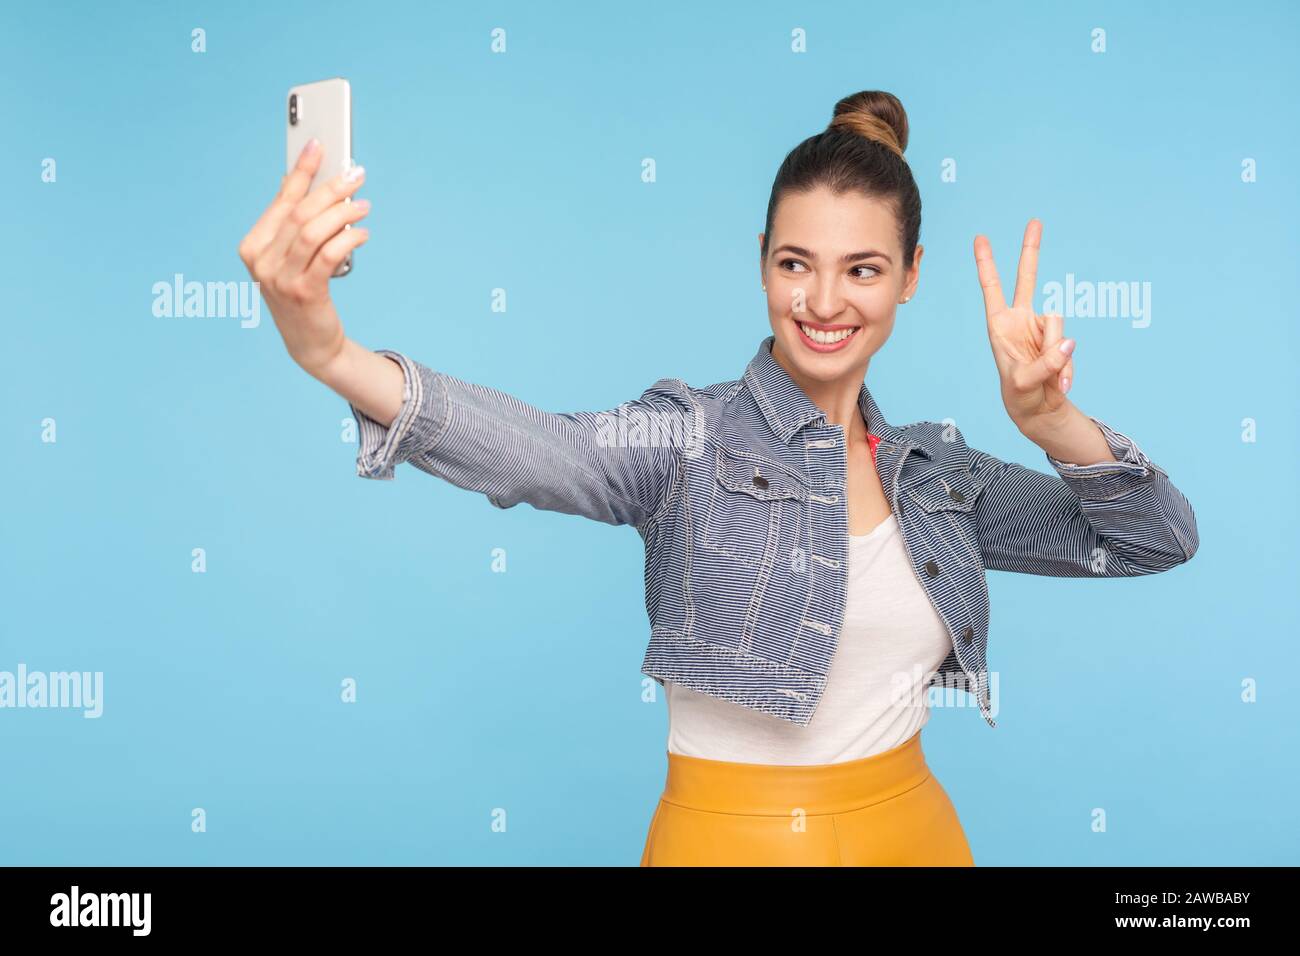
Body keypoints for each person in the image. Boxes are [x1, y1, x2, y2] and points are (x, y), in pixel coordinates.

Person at [237, 90, 1199, 866]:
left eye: (863, 270)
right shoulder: (687, 438)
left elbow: (1153, 541)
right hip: (726, 844)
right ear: (762, 264)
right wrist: (330, 350)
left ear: (910, 277)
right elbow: (539, 448)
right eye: (796, 263)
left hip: (916, 833)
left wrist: (1051, 422)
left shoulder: (938, 474)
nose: (823, 302)